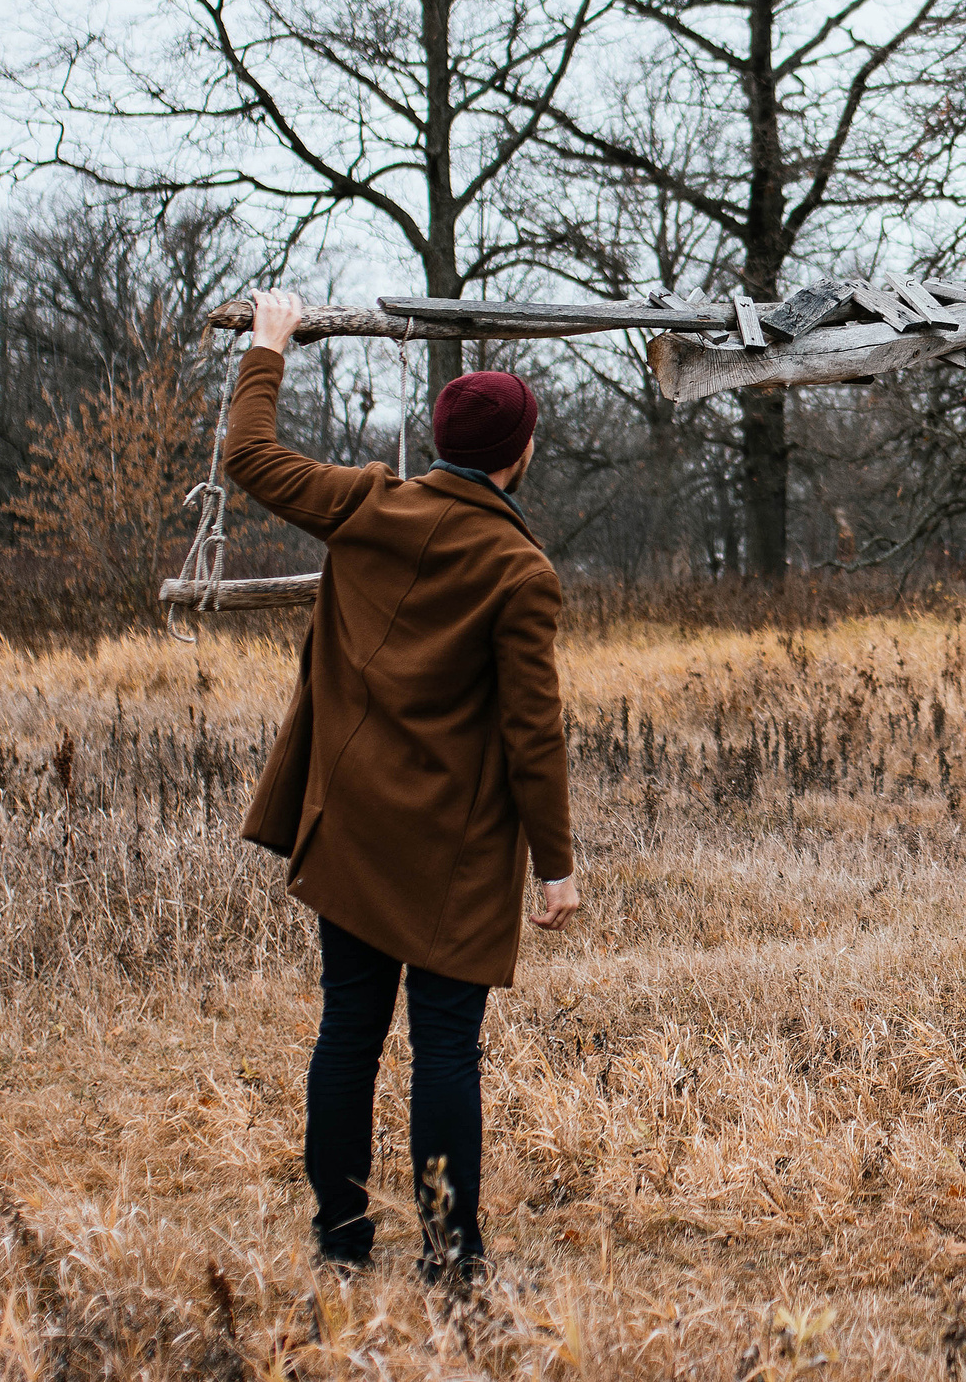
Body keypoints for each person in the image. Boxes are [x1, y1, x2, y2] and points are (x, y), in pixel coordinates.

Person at [223, 289, 581, 1282]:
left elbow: (249, 457)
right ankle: (449, 1256)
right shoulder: (520, 570)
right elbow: (532, 735)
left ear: (439, 438)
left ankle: (340, 1244)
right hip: (452, 855)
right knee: (445, 1048)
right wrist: (555, 866)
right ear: (520, 452)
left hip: (350, 829)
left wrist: (267, 346)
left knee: (349, 1026)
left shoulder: (368, 504)